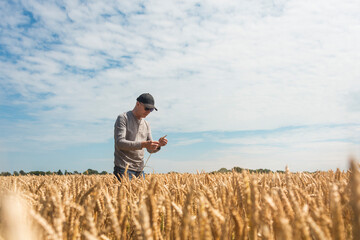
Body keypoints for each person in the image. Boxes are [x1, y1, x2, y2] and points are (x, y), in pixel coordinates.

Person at [113, 93, 168, 181]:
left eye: (151, 110)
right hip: (123, 169)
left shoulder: (146, 124)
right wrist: (143, 144)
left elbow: (150, 149)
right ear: (138, 104)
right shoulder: (123, 118)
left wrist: (158, 145)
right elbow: (120, 143)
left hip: (140, 169)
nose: (148, 112)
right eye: (147, 108)